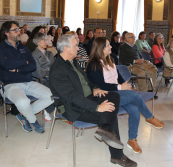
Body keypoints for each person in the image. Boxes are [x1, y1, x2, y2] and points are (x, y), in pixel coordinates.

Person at [49, 34, 137, 167]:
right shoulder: (58, 70)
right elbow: (71, 97)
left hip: (87, 97)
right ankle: (117, 156)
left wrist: (95, 88)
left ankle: (104, 129)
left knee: (114, 96)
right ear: (66, 49)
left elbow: (85, 80)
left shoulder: (72, 61)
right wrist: (97, 107)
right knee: (108, 112)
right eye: (75, 46)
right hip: (72, 107)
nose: (78, 48)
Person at [86, 37, 164, 154]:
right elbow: (100, 85)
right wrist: (120, 87)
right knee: (134, 96)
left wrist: (125, 85)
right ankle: (149, 117)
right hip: (104, 96)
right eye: (108, 45)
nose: (111, 47)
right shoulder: (93, 64)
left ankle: (132, 140)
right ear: (101, 48)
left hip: (116, 92)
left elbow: (118, 77)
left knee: (134, 108)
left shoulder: (110, 59)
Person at [0, 21, 54, 133]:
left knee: (50, 96)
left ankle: (24, 116)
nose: (19, 32)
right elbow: (5, 65)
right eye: (15, 30)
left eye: (19, 29)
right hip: (10, 84)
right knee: (23, 102)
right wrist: (23, 62)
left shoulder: (23, 47)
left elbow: (32, 65)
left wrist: (17, 68)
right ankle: (33, 121)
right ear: (7, 33)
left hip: (28, 81)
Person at [119, 32, 158, 97]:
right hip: (130, 66)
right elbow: (123, 60)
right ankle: (144, 92)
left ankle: (151, 90)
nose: (134, 39)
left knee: (153, 71)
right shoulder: (123, 47)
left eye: (134, 37)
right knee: (141, 73)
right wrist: (135, 61)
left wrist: (141, 60)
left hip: (140, 64)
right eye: (132, 37)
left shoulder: (135, 46)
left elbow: (141, 56)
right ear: (127, 38)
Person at [31, 32, 55, 121]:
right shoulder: (34, 55)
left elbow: (54, 67)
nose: (46, 42)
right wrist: (49, 73)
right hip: (42, 80)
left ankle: (46, 109)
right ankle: (47, 110)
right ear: (37, 42)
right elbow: (38, 72)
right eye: (44, 40)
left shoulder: (49, 53)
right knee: (54, 92)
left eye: (46, 40)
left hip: (51, 77)